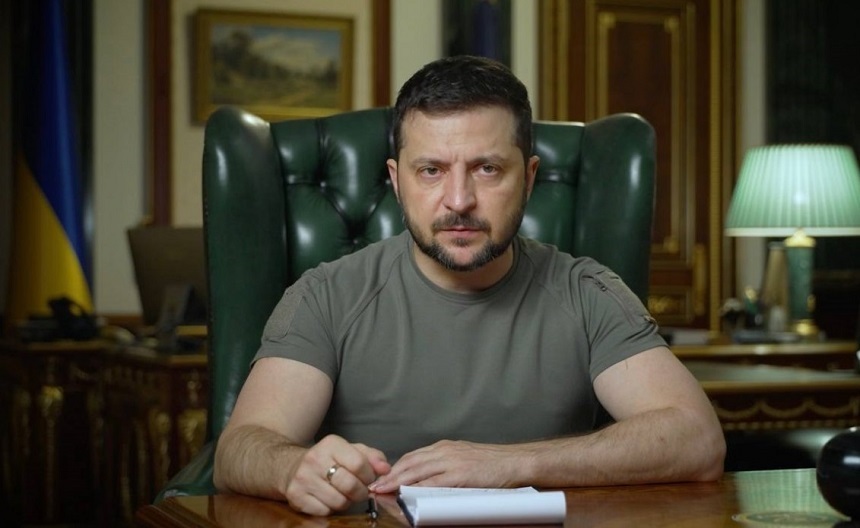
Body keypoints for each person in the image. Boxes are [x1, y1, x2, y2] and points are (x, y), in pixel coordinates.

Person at [213, 55, 726, 516]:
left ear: (529, 178)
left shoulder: (587, 291)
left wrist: (510, 464)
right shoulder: (325, 295)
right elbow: (238, 450)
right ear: (397, 181)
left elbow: (697, 439)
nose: (459, 200)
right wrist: (292, 468)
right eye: (431, 170)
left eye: (487, 168)